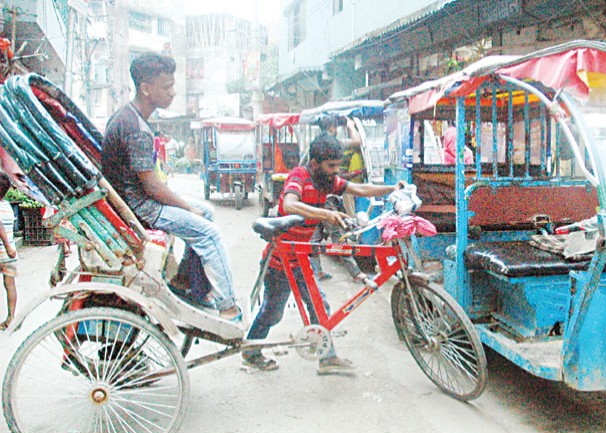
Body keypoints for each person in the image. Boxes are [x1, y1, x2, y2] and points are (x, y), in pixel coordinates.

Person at [243, 133, 405, 373]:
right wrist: (327, 215)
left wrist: (392, 189)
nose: (335, 171)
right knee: (272, 311)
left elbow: (359, 189)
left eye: (338, 166)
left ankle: (327, 358)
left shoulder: (327, 180)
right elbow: (289, 204)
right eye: (331, 166)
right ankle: (251, 352)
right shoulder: (300, 176)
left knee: (320, 305)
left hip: (302, 255)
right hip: (281, 258)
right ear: (315, 163)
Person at [101, 52, 242, 321]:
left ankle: (187, 283)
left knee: (206, 213)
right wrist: (187, 207)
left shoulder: (126, 117)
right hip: (140, 208)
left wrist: (190, 208)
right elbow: (152, 187)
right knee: (209, 233)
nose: (173, 92)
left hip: (135, 201)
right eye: (167, 87)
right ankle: (229, 307)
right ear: (145, 88)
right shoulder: (135, 128)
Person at [0, 173, 17, 330]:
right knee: (9, 284)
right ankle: (11, 318)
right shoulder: (7, 206)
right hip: (10, 254)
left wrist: (6, 246)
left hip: (4, 249)